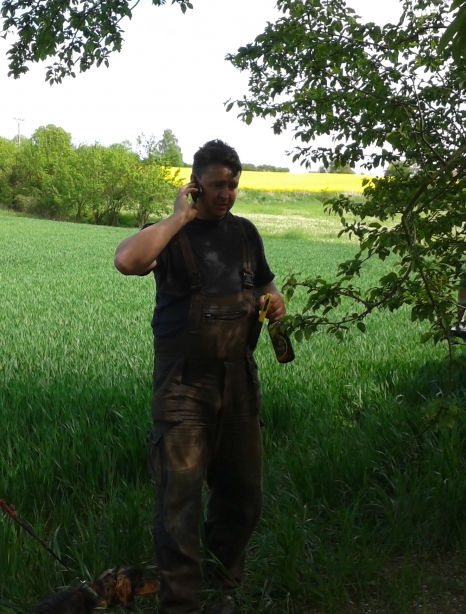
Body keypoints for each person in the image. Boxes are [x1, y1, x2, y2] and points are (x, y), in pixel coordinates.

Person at [114, 140, 286, 614]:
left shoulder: (246, 233)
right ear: (195, 185)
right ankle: (182, 605)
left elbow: (266, 281)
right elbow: (127, 261)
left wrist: (275, 300)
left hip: (239, 382)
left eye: (233, 185)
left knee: (243, 498)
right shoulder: (171, 234)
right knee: (179, 506)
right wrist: (180, 217)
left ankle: (220, 592)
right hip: (184, 387)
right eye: (216, 185)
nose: (226, 194)